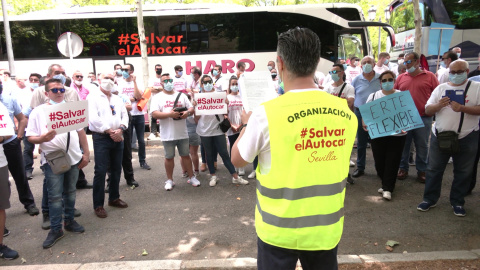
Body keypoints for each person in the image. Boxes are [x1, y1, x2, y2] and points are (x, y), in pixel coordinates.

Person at [231, 27, 357, 270]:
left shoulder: (264, 114)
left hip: (277, 231)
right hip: (325, 229)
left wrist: (246, 123)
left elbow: (237, 160)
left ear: (279, 63)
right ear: (317, 62)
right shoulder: (345, 112)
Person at [27, 78, 90, 248]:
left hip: (74, 157)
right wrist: (41, 139)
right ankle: (56, 229)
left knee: (70, 192)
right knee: (54, 197)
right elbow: (30, 136)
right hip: (53, 160)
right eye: (55, 90)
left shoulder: (71, 108)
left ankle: (69, 221)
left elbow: (81, 132)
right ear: (46, 94)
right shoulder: (38, 112)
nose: (60, 93)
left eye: (62, 90)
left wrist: (86, 153)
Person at [417, 60, 480, 217]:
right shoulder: (441, 88)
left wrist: (463, 108)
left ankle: (457, 202)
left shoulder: (476, 88)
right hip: (441, 136)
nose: (456, 75)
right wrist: (439, 105)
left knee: (463, 171)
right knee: (433, 169)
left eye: (460, 72)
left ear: (467, 71)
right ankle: (429, 199)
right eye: (453, 72)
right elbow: (428, 109)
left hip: (467, 136)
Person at [88, 72, 130, 218]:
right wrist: (110, 131)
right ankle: (98, 205)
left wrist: (121, 129)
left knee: (116, 169)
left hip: (118, 136)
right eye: (106, 78)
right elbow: (93, 118)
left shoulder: (117, 98)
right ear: (99, 80)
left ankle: (114, 198)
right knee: (100, 171)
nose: (108, 81)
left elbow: (124, 115)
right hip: (101, 137)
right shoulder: (92, 97)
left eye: (111, 79)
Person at [194, 75, 248, 187]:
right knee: (209, 154)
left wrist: (226, 104)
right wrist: (195, 108)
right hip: (204, 131)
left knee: (224, 153)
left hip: (218, 130)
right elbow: (196, 119)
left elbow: (225, 112)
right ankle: (213, 176)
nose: (208, 84)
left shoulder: (220, 94)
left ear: (212, 83)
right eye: (205, 82)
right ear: (202, 85)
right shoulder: (198, 97)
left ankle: (235, 177)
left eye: (210, 82)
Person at [151, 73, 200, 191]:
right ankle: (170, 180)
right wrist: (169, 114)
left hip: (182, 133)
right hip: (167, 134)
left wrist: (187, 113)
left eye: (170, 80)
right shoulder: (157, 97)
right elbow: (154, 113)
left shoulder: (181, 95)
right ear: (161, 83)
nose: (168, 82)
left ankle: (192, 177)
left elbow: (191, 108)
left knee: (185, 156)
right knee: (169, 157)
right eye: (165, 81)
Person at [395, 52, 439, 183]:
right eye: (405, 62)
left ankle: (422, 170)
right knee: (404, 145)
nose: (406, 65)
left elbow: (437, 94)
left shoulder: (430, 77)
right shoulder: (401, 78)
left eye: (408, 62)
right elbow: (394, 95)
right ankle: (403, 168)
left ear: (417, 62)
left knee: (422, 145)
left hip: (423, 117)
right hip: (405, 118)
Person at [363, 71, 406, 200]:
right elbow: (366, 112)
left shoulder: (401, 96)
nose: (387, 82)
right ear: (380, 83)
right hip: (378, 134)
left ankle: (388, 188)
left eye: (390, 79)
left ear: (394, 80)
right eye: (384, 80)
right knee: (379, 161)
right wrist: (365, 123)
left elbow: (407, 113)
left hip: (397, 135)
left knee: (392, 161)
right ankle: (385, 182)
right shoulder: (373, 96)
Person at [0, 80, 39, 216]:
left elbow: (22, 119)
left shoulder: (9, 99)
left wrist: (19, 136)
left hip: (10, 143)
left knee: (19, 175)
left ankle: (29, 203)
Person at [352, 56, 381, 178]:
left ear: (374, 64)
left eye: (369, 62)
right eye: (364, 63)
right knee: (361, 142)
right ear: (361, 65)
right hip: (360, 112)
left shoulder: (380, 78)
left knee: (378, 142)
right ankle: (360, 167)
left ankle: (380, 168)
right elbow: (352, 95)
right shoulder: (356, 80)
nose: (367, 64)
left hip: (377, 112)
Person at [118, 63, 151, 170]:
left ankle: (142, 161)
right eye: (122, 69)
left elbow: (138, 96)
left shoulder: (138, 83)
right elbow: (119, 99)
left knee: (141, 140)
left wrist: (134, 82)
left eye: (126, 69)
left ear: (131, 71)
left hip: (139, 115)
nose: (123, 71)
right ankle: (128, 163)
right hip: (126, 115)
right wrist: (132, 98)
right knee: (127, 140)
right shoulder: (119, 83)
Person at [226, 76, 246, 175]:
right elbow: (224, 114)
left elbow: (245, 111)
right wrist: (231, 125)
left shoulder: (242, 97)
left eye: (236, 84)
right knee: (233, 146)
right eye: (233, 84)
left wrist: (241, 125)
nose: (234, 86)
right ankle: (234, 165)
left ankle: (241, 166)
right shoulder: (227, 98)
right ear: (229, 85)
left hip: (241, 126)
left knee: (242, 146)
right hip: (231, 127)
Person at [23, 73, 42, 180]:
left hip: (44, 126)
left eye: (36, 80)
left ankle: (45, 167)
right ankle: (27, 169)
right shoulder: (25, 95)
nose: (34, 82)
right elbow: (24, 114)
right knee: (28, 149)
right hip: (30, 126)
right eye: (31, 80)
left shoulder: (43, 94)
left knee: (46, 147)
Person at [147, 64, 163, 140]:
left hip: (163, 99)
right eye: (157, 69)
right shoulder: (152, 79)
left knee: (163, 115)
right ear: (155, 69)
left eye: (160, 69)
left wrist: (156, 88)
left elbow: (165, 88)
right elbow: (150, 89)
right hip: (154, 100)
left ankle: (161, 132)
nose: (159, 70)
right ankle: (153, 132)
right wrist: (160, 88)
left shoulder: (163, 79)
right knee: (154, 116)